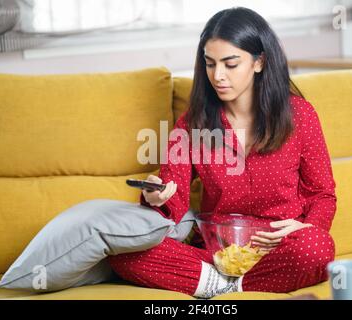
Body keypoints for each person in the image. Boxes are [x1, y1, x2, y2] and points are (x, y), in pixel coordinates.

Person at [108, 7, 336, 298]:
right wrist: (156, 196)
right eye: (210, 64)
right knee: (124, 253)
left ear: (259, 62)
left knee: (317, 247)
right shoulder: (192, 125)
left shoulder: (300, 116)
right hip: (217, 255)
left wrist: (305, 227)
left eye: (230, 64)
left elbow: (323, 194)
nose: (218, 76)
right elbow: (172, 201)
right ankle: (230, 285)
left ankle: (220, 287)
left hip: (280, 250)